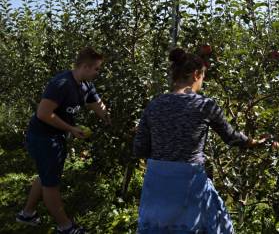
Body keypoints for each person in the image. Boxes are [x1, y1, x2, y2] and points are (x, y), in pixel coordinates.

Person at [133, 48, 265, 233]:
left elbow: (139, 149)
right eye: (203, 76)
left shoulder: (154, 105)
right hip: (188, 184)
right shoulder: (204, 105)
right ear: (196, 75)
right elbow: (231, 137)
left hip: (158, 185)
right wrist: (253, 142)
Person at [16, 47, 110, 234]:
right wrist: (71, 129)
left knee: (45, 174)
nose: (98, 73)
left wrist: (110, 119)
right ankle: (65, 227)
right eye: (96, 69)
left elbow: (98, 106)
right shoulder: (61, 84)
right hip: (43, 137)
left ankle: (27, 214)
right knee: (51, 184)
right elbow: (43, 114)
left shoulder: (86, 85)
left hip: (55, 137)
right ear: (85, 66)